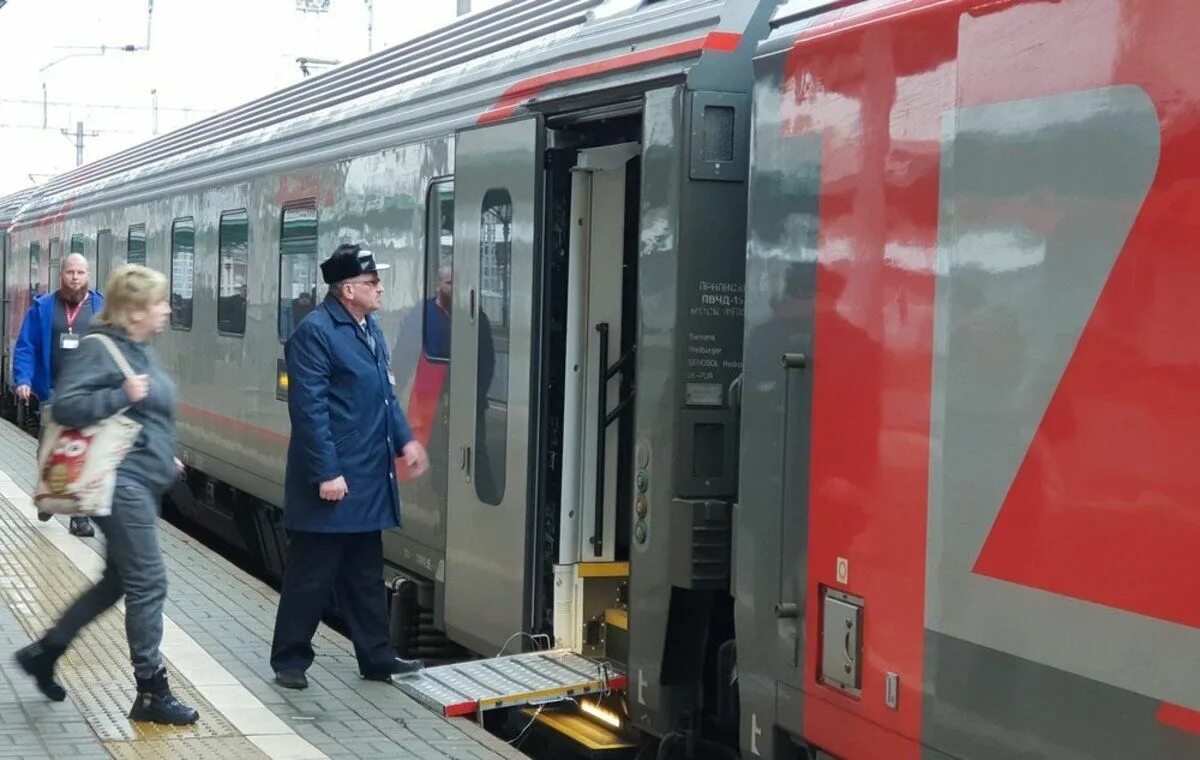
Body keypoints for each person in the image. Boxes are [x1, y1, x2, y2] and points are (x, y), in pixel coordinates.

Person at [14, 264, 199, 725]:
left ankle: (46, 652)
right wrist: (120, 393)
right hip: (120, 485)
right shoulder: (101, 349)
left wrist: (164, 454)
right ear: (135, 309)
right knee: (149, 582)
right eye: (159, 302)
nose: (167, 309)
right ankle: (151, 690)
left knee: (118, 580)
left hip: (140, 478)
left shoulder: (139, 348)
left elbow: (146, 415)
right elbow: (69, 405)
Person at [271, 243, 430, 690]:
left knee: (364, 573)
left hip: (367, 476)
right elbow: (310, 412)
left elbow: (384, 396)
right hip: (333, 478)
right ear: (346, 290)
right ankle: (290, 660)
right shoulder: (315, 333)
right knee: (311, 575)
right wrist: (326, 472)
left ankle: (376, 657)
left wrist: (405, 441)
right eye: (371, 282)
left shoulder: (368, 328)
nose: (380, 288)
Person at [14, 253, 104, 537]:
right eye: (70, 272)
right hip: (53, 391)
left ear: (88, 275)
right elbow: (26, 347)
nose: (75, 278)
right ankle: (48, 495)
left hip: (88, 393)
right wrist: (23, 379)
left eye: (80, 272)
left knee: (83, 453)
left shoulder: (102, 309)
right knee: (49, 450)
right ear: (61, 274)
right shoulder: (42, 308)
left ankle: (79, 516)